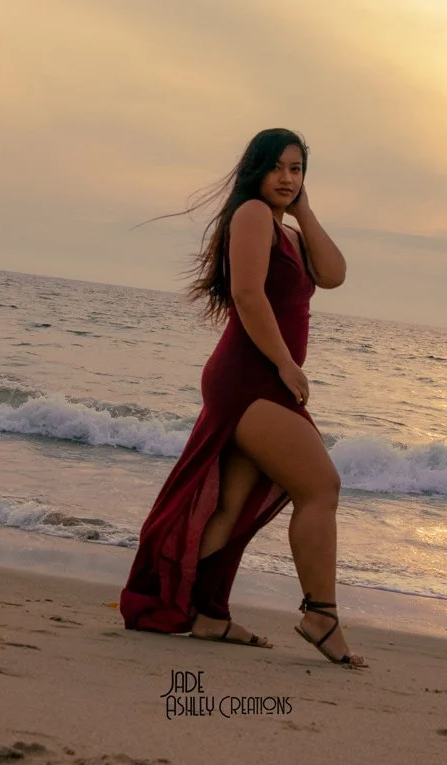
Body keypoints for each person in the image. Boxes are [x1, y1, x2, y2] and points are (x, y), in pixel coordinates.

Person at [119, 128, 366, 668]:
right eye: (276, 167)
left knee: (230, 505)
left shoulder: (290, 232)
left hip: (263, 378)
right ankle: (320, 613)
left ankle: (206, 613)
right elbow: (247, 295)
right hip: (249, 377)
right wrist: (283, 363)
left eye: (296, 169)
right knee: (321, 486)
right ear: (255, 170)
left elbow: (336, 275)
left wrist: (304, 210)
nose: (285, 177)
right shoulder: (252, 215)